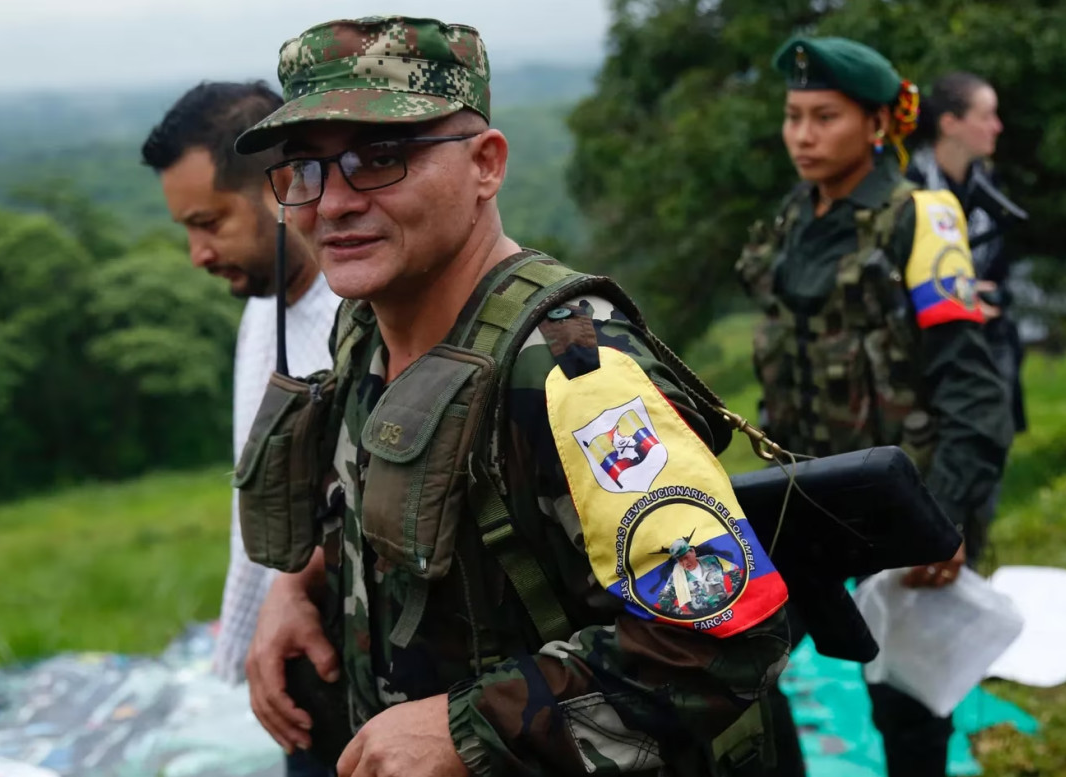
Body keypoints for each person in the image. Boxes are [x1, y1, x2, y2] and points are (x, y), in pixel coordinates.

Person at [233, 15, 793, 777]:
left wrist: (469, 731)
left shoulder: (572, 372)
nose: (331, 203)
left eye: (379, 159)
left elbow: (724, 634)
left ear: (486, 164)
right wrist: (298, 588)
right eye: (306, 169)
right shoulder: (363, 329)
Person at [736, 37, 1012, 777]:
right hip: (806, 493)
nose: (802, 135)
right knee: (742, 666)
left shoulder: (921, 219)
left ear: (878, 124)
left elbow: (971, 386)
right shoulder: (793, 220)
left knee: (907, 702)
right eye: (793, 116)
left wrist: (944, 516)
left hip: (903, 498)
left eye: (825, 117)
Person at [141, 81, 341, 777]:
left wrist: (297, 587)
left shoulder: (361, 315)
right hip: (300, 686)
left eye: (209, 223)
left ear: (280, 188)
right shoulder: (264, 303)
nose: (197, 253)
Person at [908, 72, 1027, 542]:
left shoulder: (987, 184)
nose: (997, 126)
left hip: (990, 347)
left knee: (985, 464)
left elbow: (1003, 271)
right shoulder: (910, 189)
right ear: (951, 123)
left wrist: (987, 297)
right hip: (933, 359)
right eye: (986, 115)